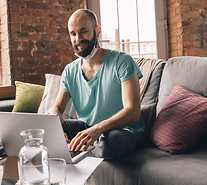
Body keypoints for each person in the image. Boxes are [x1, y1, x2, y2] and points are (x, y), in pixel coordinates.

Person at [50, 9, 146, 160]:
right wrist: (55, 129)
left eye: (83, 32)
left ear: (97, 30)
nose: (78, 39)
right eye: (73, 34)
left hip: (121, 130)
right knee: (45, 131)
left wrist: (97, 129)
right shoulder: (69, 71)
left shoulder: (122, 61)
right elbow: (57, 108)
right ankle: (84, 150)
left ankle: (81, 153)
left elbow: (133, 111)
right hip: (87, 128)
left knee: (110, 142)